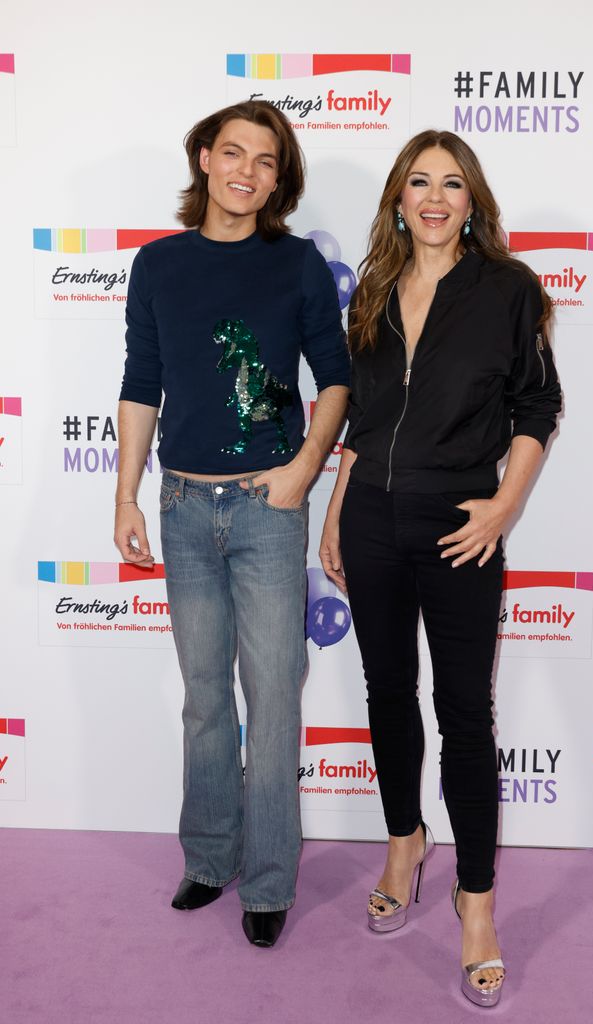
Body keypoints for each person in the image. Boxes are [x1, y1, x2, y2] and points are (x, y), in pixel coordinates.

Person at [320, 130, 560, 1006]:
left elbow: (538, 404)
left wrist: (504, 505)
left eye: (450, 184)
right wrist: (339, 509)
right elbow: (362, 417)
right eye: (418, 182)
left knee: (465, 713)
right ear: (397, 197)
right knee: (388, 692)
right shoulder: (372, 294)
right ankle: (402, 843)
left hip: (462, 525)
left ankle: (477, 906)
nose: (433, 197)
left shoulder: (507, 289)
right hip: (375, 520)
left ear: (472, 202)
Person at [114, 100, 350, 948]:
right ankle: (209, 860)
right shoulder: (158, 264)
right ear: (205, 159)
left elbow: (336, 380)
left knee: (275, 699)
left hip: (266, 510)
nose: (247, 172)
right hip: (180, 507)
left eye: (267, 162)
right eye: (234, 153)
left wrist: (300, 474)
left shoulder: (295, 266)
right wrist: (125, 496)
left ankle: (270, 879)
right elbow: (143, 381)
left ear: (278, 181)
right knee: (206, 700)